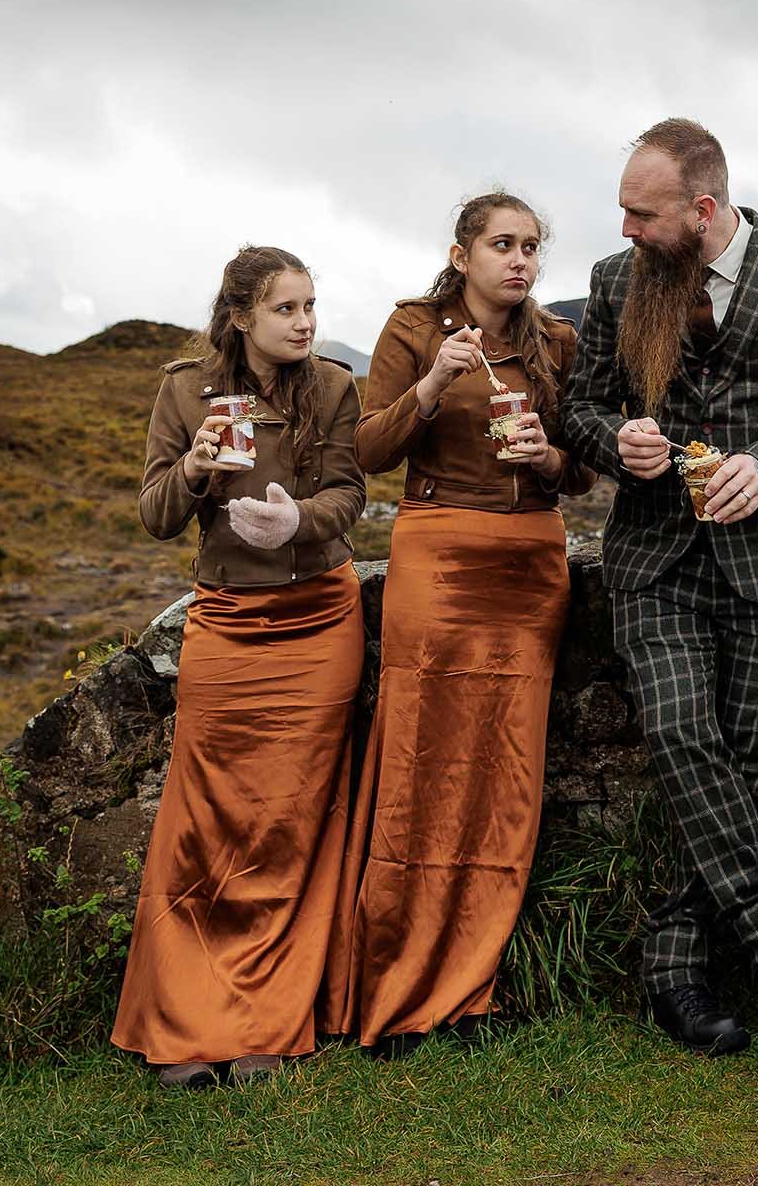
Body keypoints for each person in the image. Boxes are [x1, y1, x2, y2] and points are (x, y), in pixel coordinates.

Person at [560, 118, 758, 1055]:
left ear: (703, 210)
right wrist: (616, 444)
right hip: (652, 563)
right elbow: (579, 409)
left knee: (753, 765)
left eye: (640, 212)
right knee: (680, 733)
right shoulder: (618, 283)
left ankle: (675, 961)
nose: (623, 230)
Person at [324, 192, 594, 1053]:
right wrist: (436, 383)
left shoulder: (557, 342)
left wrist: (546, 456)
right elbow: (365, 452)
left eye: (530, 247)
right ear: (462, 251)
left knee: (505, 776)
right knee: (418, 767)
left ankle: (467, 990)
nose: (519, 261)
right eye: (502, 245)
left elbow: (580, 467)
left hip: (529, 565)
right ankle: (396, 995)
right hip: (438, 558)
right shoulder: (412, 327)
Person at [113, 245, 366, 1086]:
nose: (304, 323)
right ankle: (187, 1020)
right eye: (287, 310)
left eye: (309, 307)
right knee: (208, 819)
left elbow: (349, 494)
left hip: (320, 619)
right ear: (240, 318)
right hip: (226, 621)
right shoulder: (185, 389)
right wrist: (191, 470)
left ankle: (267, 1020)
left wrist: (298, 522)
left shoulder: (332, 386)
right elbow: (153, 514)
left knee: (291, 820)